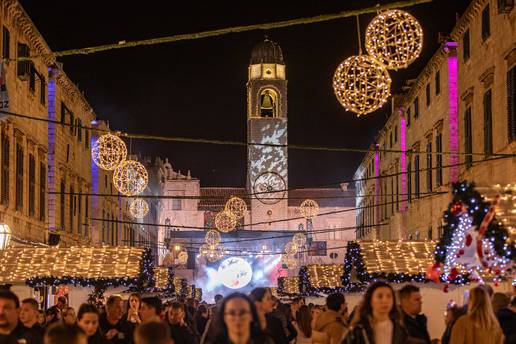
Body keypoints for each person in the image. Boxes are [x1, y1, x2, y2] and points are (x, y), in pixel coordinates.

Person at [343, 281, 408, 344]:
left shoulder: (399, 329)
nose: (385, 300)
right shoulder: (359, 330)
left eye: (389, 296)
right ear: (370, 300)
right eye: (380, 296)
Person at [202, 292, 273, 344]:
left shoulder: (264, 340)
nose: (237, 318)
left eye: (243, 312)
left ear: (251, 315)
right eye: (232, 313)